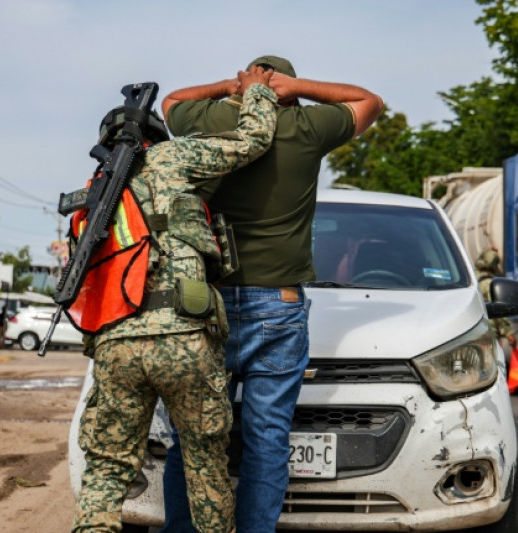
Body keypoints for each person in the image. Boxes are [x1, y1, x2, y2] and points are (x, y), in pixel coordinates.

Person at [160, 56, 383, 533]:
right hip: (278, 308)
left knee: (194, 438)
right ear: (287, 93)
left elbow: (171, 101)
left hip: (209, 304)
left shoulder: (214, 121)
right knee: (267, 440)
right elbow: (370, 101)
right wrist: (295, 87)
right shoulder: (307, 127)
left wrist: (232, 86)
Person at [72, 66, 278, 533]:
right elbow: (253, 142)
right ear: (156, 136)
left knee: (107, 466)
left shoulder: (92, 196)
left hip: (115, 344)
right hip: (183, 336)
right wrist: (256, 94)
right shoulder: (172, 158)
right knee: (204, 462)